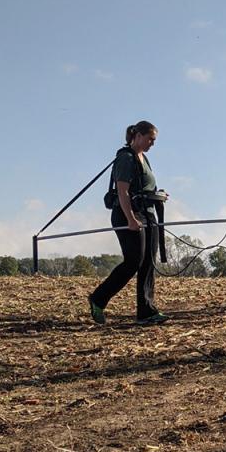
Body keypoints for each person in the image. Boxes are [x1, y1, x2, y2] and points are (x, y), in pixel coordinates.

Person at [88, 121, 168, 325]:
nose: (152, 143)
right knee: (134, 260)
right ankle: (98, 298)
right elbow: (122, 190)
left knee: (148, 261)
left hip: (148, 213)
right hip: (128, 214)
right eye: (150, 139)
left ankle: (146, 311)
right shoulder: (125, 158)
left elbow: (146, 186)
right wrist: (131, 218)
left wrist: (158, 195)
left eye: (154, 140)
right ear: (138, 136)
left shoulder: (145, 159)